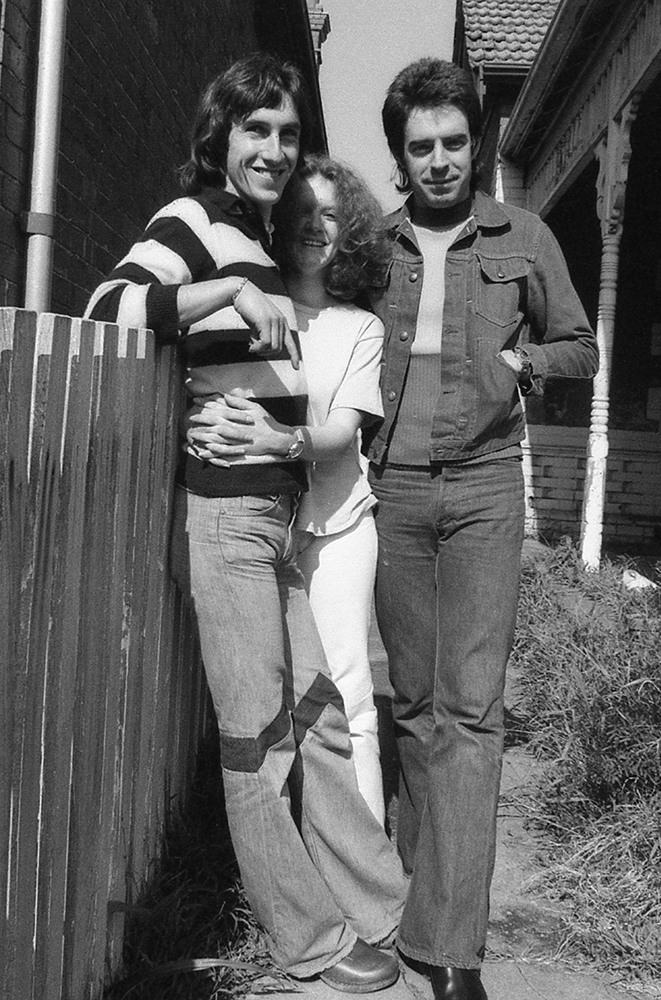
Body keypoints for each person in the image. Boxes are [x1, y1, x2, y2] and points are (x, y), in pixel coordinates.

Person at [84, 54, 406, 991]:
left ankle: (381, 904)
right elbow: (110, 305)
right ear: (220, 135)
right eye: (255, 129)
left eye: (288, 133)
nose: (273, 149)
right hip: (225, 521)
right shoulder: (194, 222)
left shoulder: (258, 235)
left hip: (278, 519)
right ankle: (309, 941)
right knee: (255, 744)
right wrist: (227, 292)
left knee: (323, 720)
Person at [364, 59, 600, 1000]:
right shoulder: (373, 246)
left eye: (454, 142)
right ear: (400, 155)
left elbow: (582, 346)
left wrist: (521, 362)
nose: (439, 161)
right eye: (420, 146)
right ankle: (421, 897)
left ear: (477, 143)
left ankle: (454, 949)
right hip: (393, 491)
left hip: (487, 490)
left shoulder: (524, 236)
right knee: (416, 706)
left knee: (471, 713)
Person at [185, 153, 391, 825]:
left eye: (330, 214)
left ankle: (366, 857)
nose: (313, 225)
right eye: (301, 210)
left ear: (349, 231)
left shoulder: (360, 326)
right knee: (271, 700)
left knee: (347, 690)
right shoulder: (241, 306)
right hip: (255, 522)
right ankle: (297, 846)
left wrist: (283, 440)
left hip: (335, 522)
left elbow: (343, 432)